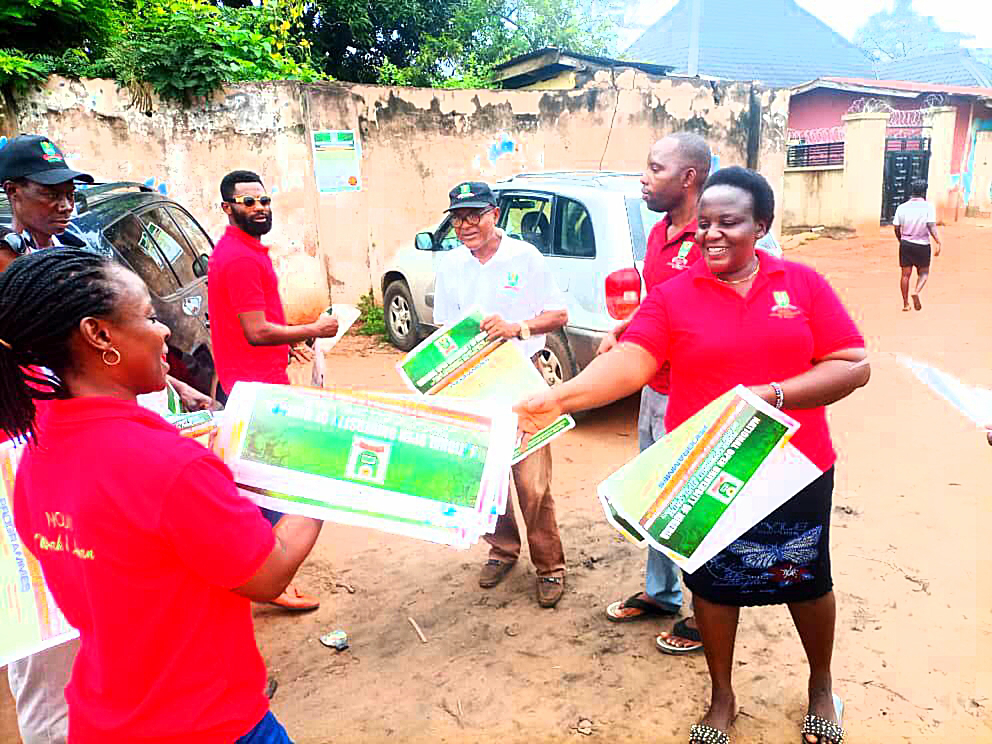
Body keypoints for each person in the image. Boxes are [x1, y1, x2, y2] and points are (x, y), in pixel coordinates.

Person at [515, 167, 869, 744]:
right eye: (703, 223)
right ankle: (722, 697)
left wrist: (772, 394)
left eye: (729, 222)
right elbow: (631, 362)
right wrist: (557, 398)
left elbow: (853, 364)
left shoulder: (801, 284)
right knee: (709, 583)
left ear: (761, 225)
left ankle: (821, 685)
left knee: (805, 579)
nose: (711, 234)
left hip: (795, 465)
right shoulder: (673, 296)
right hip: (706, 467)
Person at [0, 248, 324, 743]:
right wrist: (321, 483)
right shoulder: (167, 466)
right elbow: (270, 572)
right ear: (100, 335)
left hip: (107, 717)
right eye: (149, 317)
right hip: (209, 721)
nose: (165, 331)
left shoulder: (37, 450)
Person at [0, 135, 207, 744]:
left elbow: (117, 341)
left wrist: (174, 387)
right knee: (41, 632)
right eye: (49, 191)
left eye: (69, 189)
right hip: (26, 454)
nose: (65, 201)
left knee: (114, 598)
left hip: (92, 448)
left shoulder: (74, 249)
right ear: (12, 192)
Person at [433, 181, 569, 607]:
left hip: (521, 382)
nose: (466, 225)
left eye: (475, 214)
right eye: (458, 218)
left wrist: (518, 329)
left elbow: (558, 313)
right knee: (487, 478)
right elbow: (443, 329)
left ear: (495, 213)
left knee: (533, 484)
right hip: (473, 385)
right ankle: (503, 549)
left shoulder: (524, 258)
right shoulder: (451, 265)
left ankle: (550, 567)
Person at [208, 169, 339, 612]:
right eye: (248, 202)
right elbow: (256, 330)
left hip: (254, 385)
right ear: (228, 208)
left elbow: (253, 326)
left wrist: (293, 340)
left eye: (264, 200)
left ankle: (266, 575)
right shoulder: (241, 258)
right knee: (283, 492)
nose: (260, 208)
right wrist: (313, 328)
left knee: (265, 489)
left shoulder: (244, 250)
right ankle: (271, 580)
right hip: (259, 396)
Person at [598, 133, 709, 654]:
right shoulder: (658, 232)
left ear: (688, 177)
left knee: (688, 502)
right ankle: (661, 593)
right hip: (653, 389)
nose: (644, 177)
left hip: (694, 395)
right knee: (654, 496)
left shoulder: (715, 237)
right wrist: (626, 328)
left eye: (655, 168)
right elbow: (657, 301)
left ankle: (702, 610)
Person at [893, 178, 942, 312]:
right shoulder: (928, 207)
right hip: (922, 245)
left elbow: (896, 227)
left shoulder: (901, 207)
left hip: (906, 243)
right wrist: (938, 241)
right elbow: (931, 225)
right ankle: (916, 291)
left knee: (905, 275)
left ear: (912, 191)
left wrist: (901, 240)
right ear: (924, 192)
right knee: (924, 273)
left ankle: (905, 304)